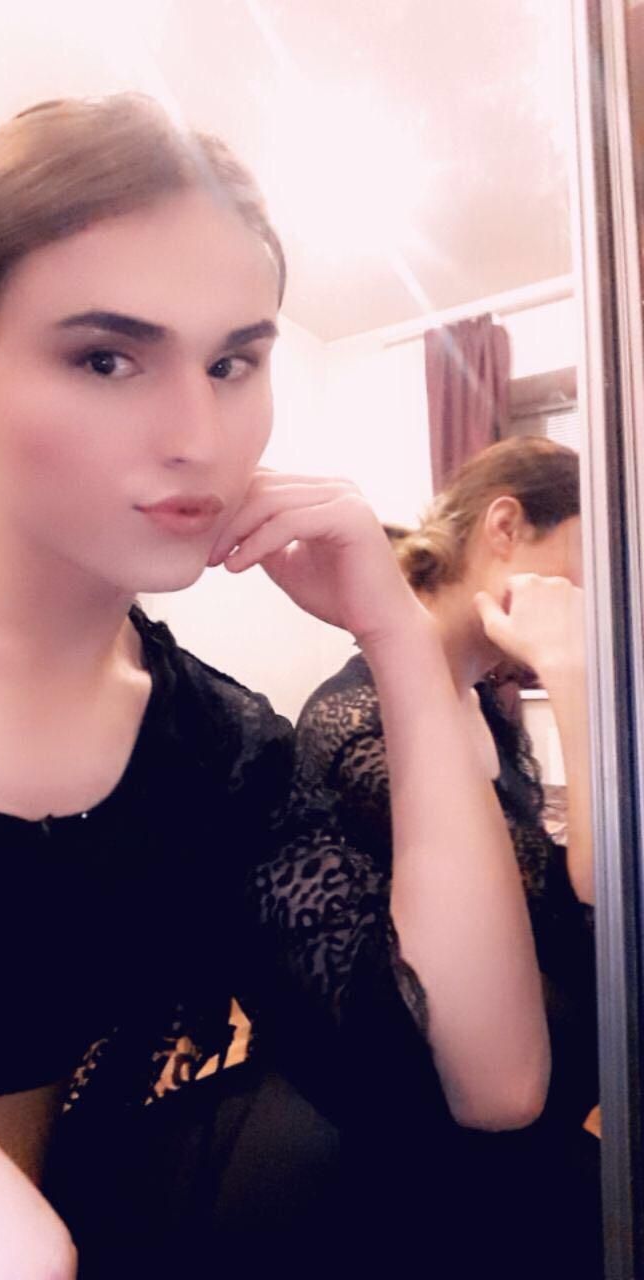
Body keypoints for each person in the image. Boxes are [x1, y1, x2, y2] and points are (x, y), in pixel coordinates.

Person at [0, 95, 550, 1274]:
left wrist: (397, 633)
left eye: (232, 362)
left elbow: (494, 1080)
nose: (198, 433)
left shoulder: (212, 747)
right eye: (106, 357)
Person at [278, 436, 599, 1277]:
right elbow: (597, 897)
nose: (592, 596)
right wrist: (572, 675)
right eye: (587, 559)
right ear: (505, 526)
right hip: (445, 1175)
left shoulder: (485, 704)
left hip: (543, 1132)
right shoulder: (358, 721)